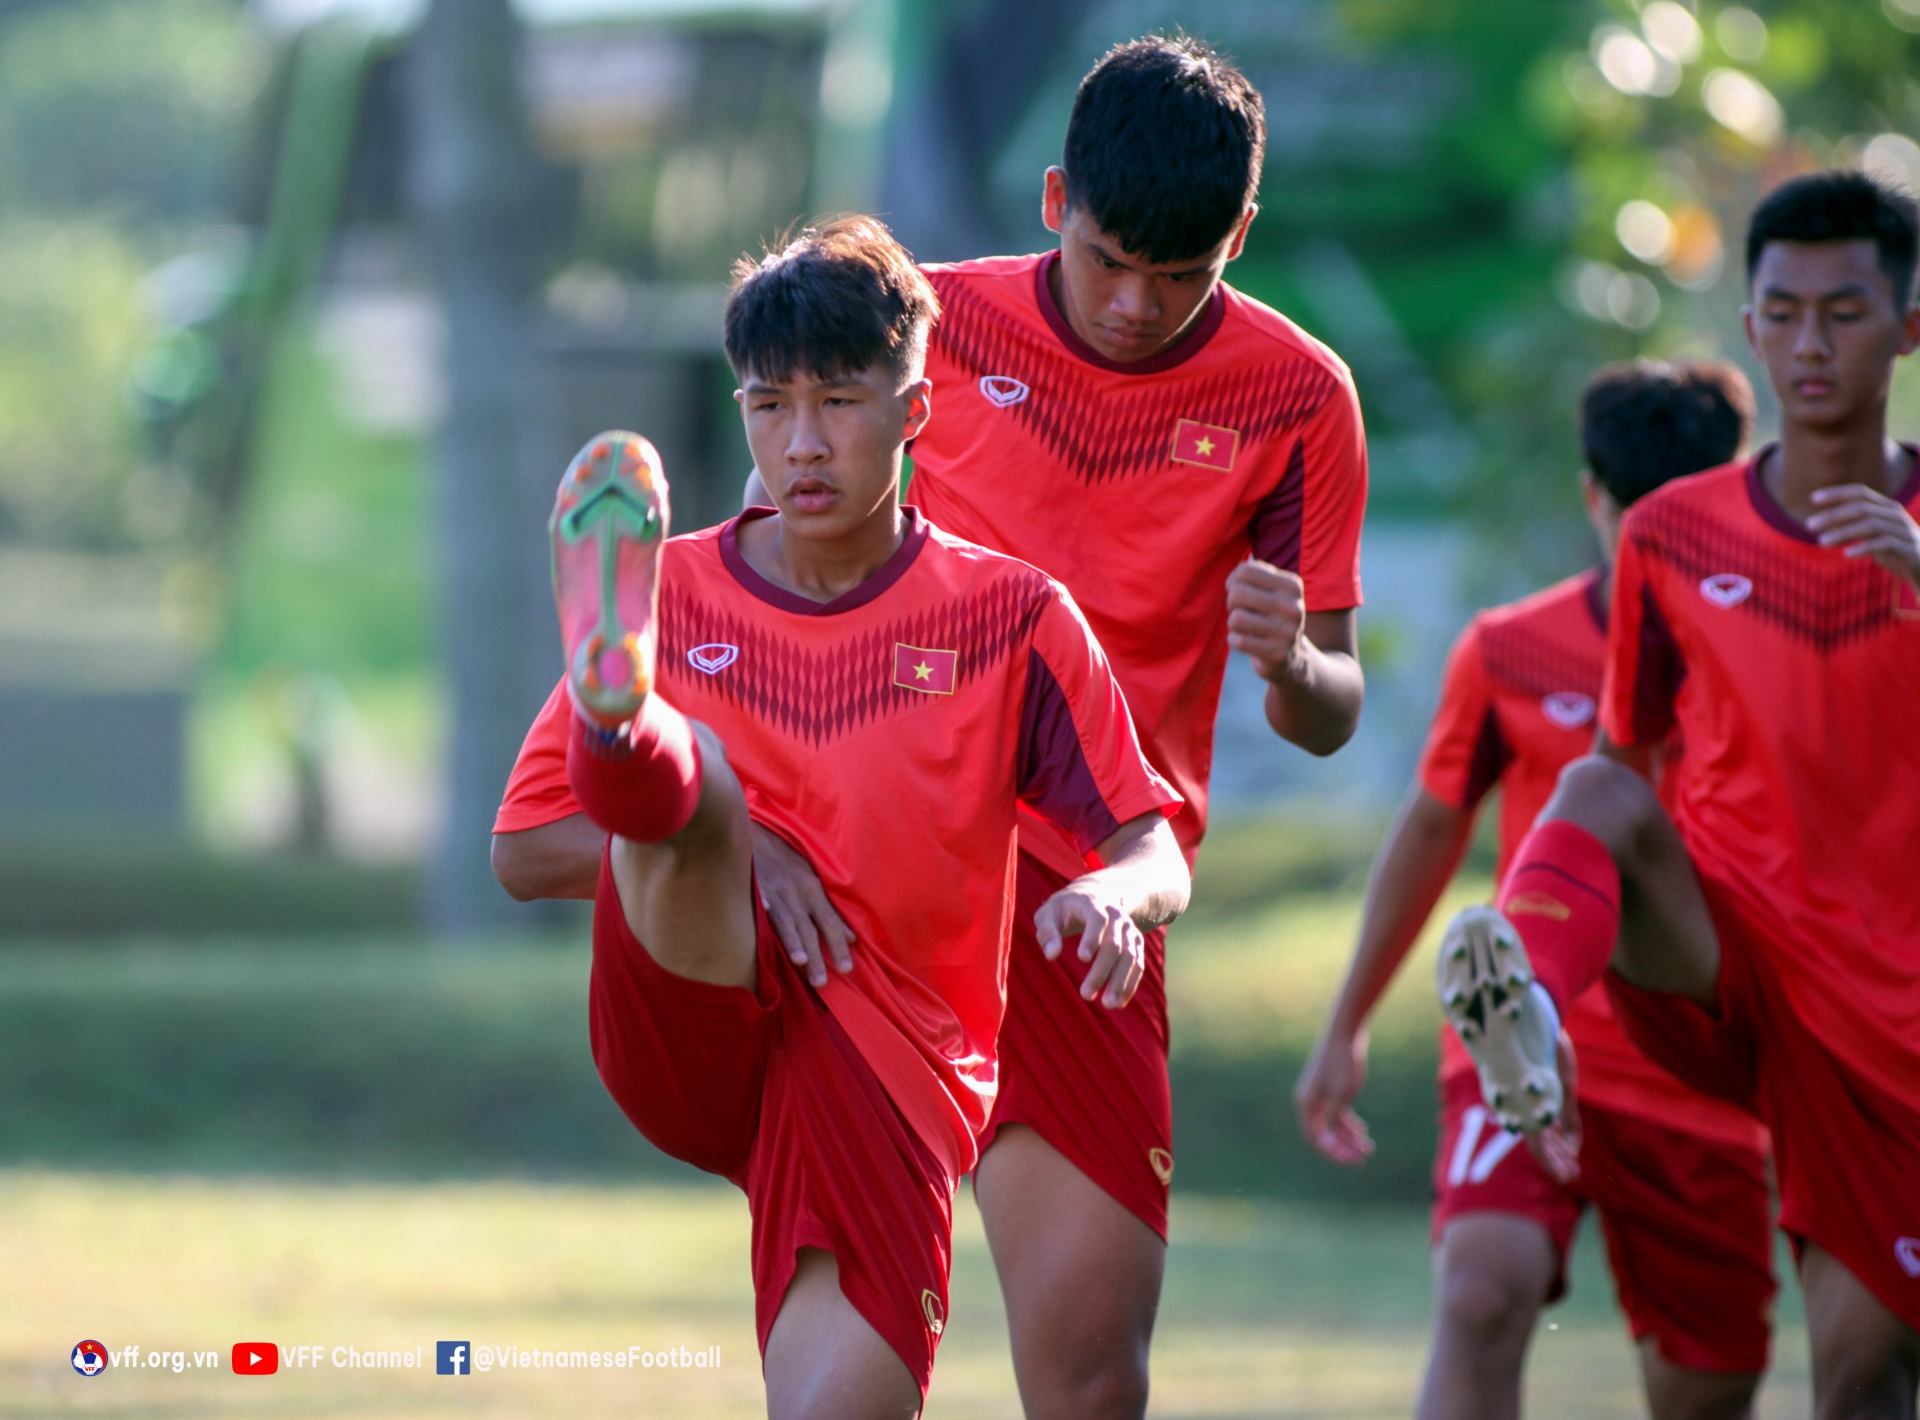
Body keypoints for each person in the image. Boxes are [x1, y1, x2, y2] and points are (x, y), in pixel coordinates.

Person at [727, 37, 1365, 1416]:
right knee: (844, 1398)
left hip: (1098, 909)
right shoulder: (920, 336)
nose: (1136, 306)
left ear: (1241, 235)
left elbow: (1331, 710)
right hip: (874, 893)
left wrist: (1296, 659)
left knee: (1088, 1387)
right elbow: (754, 607)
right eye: (1109, 258)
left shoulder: (1298, 397)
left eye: (1184, 275)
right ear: (1054, 196)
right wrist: (752, 837)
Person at [540, 217, 1191, 1418]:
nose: (801, 444)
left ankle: (659, 763)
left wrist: (1112, 891)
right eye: (768, 406)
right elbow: (527, 846)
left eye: (839, 402)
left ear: (915, 412)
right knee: (705, 796)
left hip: (891, 1065)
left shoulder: (1011, 616)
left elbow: (1150, 846)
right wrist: (754, 859)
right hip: (690, 1001)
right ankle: (626, 732)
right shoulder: (675, 588)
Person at [1438, 170, 1920, 1418]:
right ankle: (1527, 1012)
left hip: (1891, 1026)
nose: (1811, 343)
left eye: (1847, 311)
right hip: (1739, 961)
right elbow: (1628, 765)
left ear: (1909, 326)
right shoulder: (1669, 534)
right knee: (1600, 784)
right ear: (1750, 326)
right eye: (1785, 312)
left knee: (1864, 1376)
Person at [1296, 360, 1774, 1420]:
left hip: (1698, 1075)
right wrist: (1346, 1022)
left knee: (1711, 1391)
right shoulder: (1510, 650)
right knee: (1479, 1294)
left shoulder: (1781, 657)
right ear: (1593, 497)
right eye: (1635, 513)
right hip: (1520, 1053)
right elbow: (1429, 830)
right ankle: (1526, 1018)